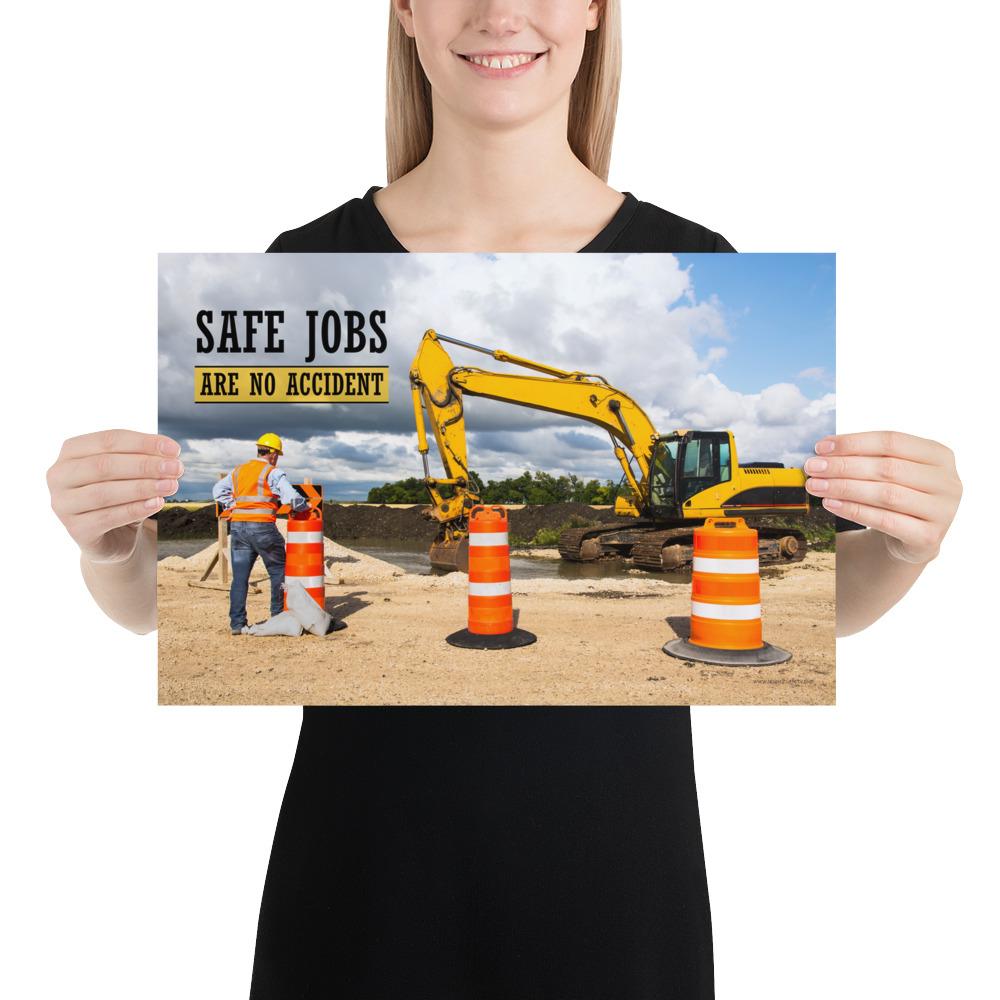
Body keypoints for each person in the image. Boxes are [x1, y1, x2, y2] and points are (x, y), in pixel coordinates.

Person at [44, 2, 963, 997]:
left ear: (595, 9)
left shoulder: (693, 249)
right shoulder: (305, 259)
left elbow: (827, 610)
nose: (499, 8)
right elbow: (150, 613)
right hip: (360, 882)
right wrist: (111, 546)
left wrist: (906, 545)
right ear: (403, 9)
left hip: (614, 887)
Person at [212, 433, 310, 635]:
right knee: (279, 571)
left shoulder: (239, 471)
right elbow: (292, 498)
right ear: (273, 454)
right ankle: (277, 616)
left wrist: (233, 506)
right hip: (262, 528)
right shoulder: (272, 472)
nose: (277, 459)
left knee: (239, 578)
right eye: (278, 455)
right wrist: (304, 507)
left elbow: (218, 490)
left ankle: (237, 624)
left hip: (238, 528)